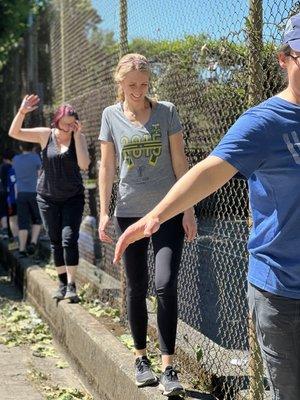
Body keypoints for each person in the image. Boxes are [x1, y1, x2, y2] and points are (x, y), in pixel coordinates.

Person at [114, 14, 300, 400]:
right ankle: (150, 359)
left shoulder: (165, 111)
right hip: (284, 289)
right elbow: (206, 172)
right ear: (284, 59)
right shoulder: (264, 122)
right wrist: (157, 215)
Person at [98, 53, 197, 396]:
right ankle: (141, 358)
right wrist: (104, 210)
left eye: (143, 84)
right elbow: (107, 167)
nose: (138, 91)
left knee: (165, 283)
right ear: (120, 84)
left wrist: (188, 208)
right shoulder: (110, 116)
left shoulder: (167, 111)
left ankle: (169, 365)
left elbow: (180, 161)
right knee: (136, 286)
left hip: (168, 209)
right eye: (131, 85)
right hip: (129, 213)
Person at [8, 94, 90, 302]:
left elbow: (84, 165)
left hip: (72, 198)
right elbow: (14, 132)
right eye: (64, 125)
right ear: (56, 122)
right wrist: (22, 112)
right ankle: (62, 283)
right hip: (47, 198)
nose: (68, 128)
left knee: (69, 239)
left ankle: (72, 285)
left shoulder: (77, 137)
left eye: (72, 124)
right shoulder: (46, 135)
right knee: (55, 241)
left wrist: (78, 136)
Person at [13, 142, 42, 257]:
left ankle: (21, 249)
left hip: (21, 194)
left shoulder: (15, 159)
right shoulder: (36, 158)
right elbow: (40, 175)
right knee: (37, 219)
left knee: (23, 222)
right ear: (33, 147)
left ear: (20, 147)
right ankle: (33, 242)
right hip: (34, 193)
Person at [1, 149, 19, 245]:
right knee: (14, 219)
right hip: (13, 197)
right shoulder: (13, 168)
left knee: (11, 219)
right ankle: (17, 241)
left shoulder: (3, 167)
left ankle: (15, 241)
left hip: (7, 197)